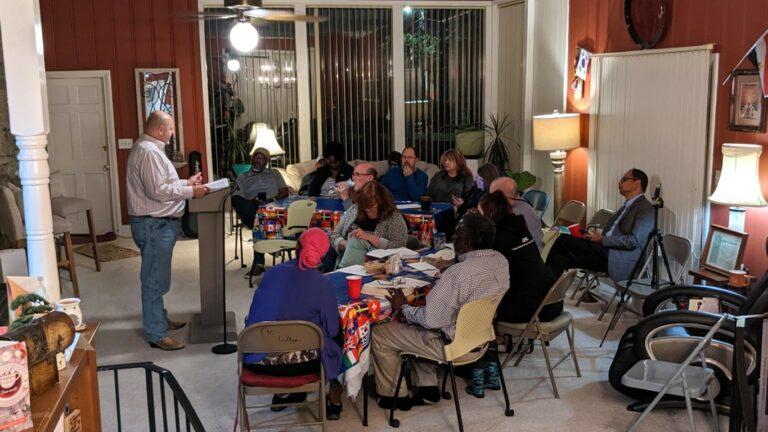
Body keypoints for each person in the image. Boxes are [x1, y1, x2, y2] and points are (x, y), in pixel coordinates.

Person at [371, 213, 509, 410]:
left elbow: (430, 320)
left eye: (458, 233)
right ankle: (427, 389)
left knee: (382, 332)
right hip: (481, 340)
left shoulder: (457, 274)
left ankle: (393, 396)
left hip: (453, 346)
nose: (454, 237)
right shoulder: (500, 261)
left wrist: (402, 306)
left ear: (468, 242)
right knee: (426, 316)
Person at [127, 111, 208, 351]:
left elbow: (163, 185)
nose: (172, 133)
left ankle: (159, 319)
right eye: (171, 129)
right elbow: (158, 191)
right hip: (154, 224)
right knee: (154, 280)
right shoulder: (149, 151)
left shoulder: (150, 149)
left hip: (157, 223)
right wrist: (192, 192)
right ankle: (156, 333)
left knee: (157, 275)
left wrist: (187, 183)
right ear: (160, 129)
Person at [243, 228, 345, 419]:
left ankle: (282, 394)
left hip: (259, 361)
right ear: (323, 255)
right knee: (337, 330)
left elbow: (254, 314)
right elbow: (332, 329)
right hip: (304, 365)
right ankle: (334, 386)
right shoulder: (322, 284)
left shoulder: (271, 274)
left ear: (297, 247)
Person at [546, 168, 654, 289]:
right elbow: (614, 232)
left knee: (562, 240)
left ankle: (539, 283)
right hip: (604, 249)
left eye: (624, 179)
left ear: (637, 182)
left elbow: (633, 241)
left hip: (617, 258)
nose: (619, 183)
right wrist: (595, 235)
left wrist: (602, 239)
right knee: (561, 258)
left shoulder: (646, 209)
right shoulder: (627, 205)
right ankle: (548, 297)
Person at [330, 182, 408, 268]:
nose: (369, 211)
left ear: (382, 202)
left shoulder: (393, 217)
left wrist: (371, 238)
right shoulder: (355, 209)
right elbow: (334, 235)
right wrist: (349, 245)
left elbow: (401, 245)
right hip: (347, 262)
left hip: (378, 266)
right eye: (365, 207)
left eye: (373, 207)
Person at [232, 148, 289, 228]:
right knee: (235, 198)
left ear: (266, 162)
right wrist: (252, 200)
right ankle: (261, 218)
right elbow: (238, 196)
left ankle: (262, 219)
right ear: (252, 159)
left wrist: (271, 200)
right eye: (256, 157)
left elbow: (285, 192)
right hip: (252, 207)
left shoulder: (274, 173)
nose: (258, 160)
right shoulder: (243, 177)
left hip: (274, 206)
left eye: (262, 158)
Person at [489, 177, 544, 251]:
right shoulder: (517, 206)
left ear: (504, 197)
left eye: (492, 197)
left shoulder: (519, 215)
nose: (490, 201)